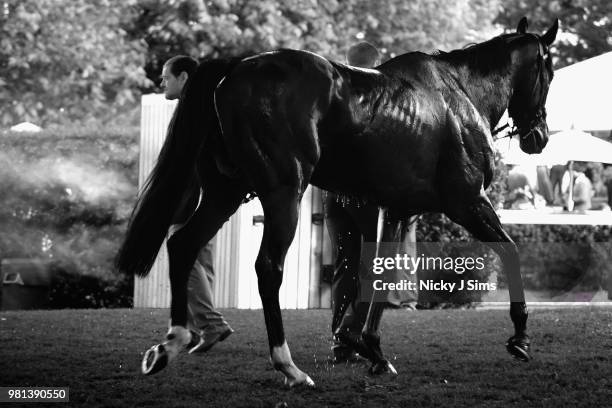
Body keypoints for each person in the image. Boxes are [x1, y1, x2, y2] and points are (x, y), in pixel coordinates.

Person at [326, 42, 418, 364]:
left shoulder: (330, 97)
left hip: (335, 195)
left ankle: (340, 345)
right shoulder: (380, 97)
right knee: (377, 266)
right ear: (378, 64)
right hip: (368, 194)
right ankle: (353, 331)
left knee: (345, 267)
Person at [161, 55, 233, 353]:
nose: (161, 82)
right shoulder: (208, 105)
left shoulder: (195, 109)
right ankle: (197, 329)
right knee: (201, 262)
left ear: (184, 78)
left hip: (192, 196)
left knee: (185, 254)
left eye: (166, 76)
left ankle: (210, 324)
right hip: (200, 195)